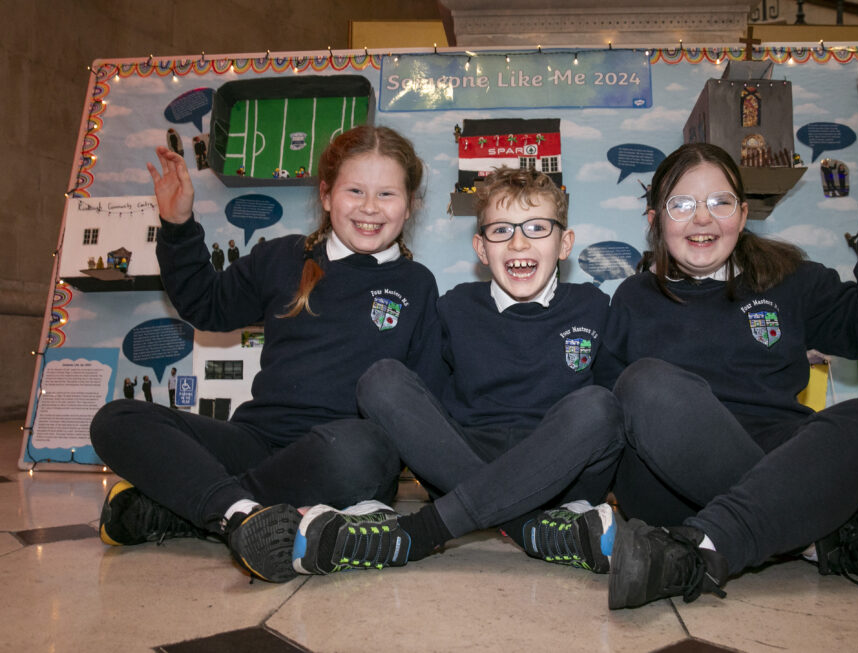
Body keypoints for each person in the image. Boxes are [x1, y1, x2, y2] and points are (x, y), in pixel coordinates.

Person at [596, 143, 858, 610]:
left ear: (742, 215)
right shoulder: (633, 297)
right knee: (645, 386)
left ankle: (705, 547)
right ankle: (826, 532)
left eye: (720, 203)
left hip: (776, 451)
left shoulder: (791, 279)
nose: (702, 219)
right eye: (681, 205)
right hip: (667, 484)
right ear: (655, 220)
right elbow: (602, 405)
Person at [90, 125, 444, 584]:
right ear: (326, 194)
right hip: (255, 444)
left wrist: (458, 502)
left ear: (410, 203)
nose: (370, 207)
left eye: (387, 194)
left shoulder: (418, 285)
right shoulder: (283, 257)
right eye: (355, 190)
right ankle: (237, 512)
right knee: (115, 419)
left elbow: (428, 398)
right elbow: (205, 304)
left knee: (363, 450)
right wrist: (178, 225)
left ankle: (195, 510)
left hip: (341, 458)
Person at [292, 166, 624, 576]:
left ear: (565, 243)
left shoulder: (594, 305)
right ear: (481, 249)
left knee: (599, 407)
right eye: (501, 230)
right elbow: (425, 406)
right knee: (381, 380)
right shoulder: (454, 307)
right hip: (467, 460)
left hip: (561, 475)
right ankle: (530, 529)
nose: (519, 242)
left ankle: (419, 533)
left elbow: (608, 418)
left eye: (537, 227)